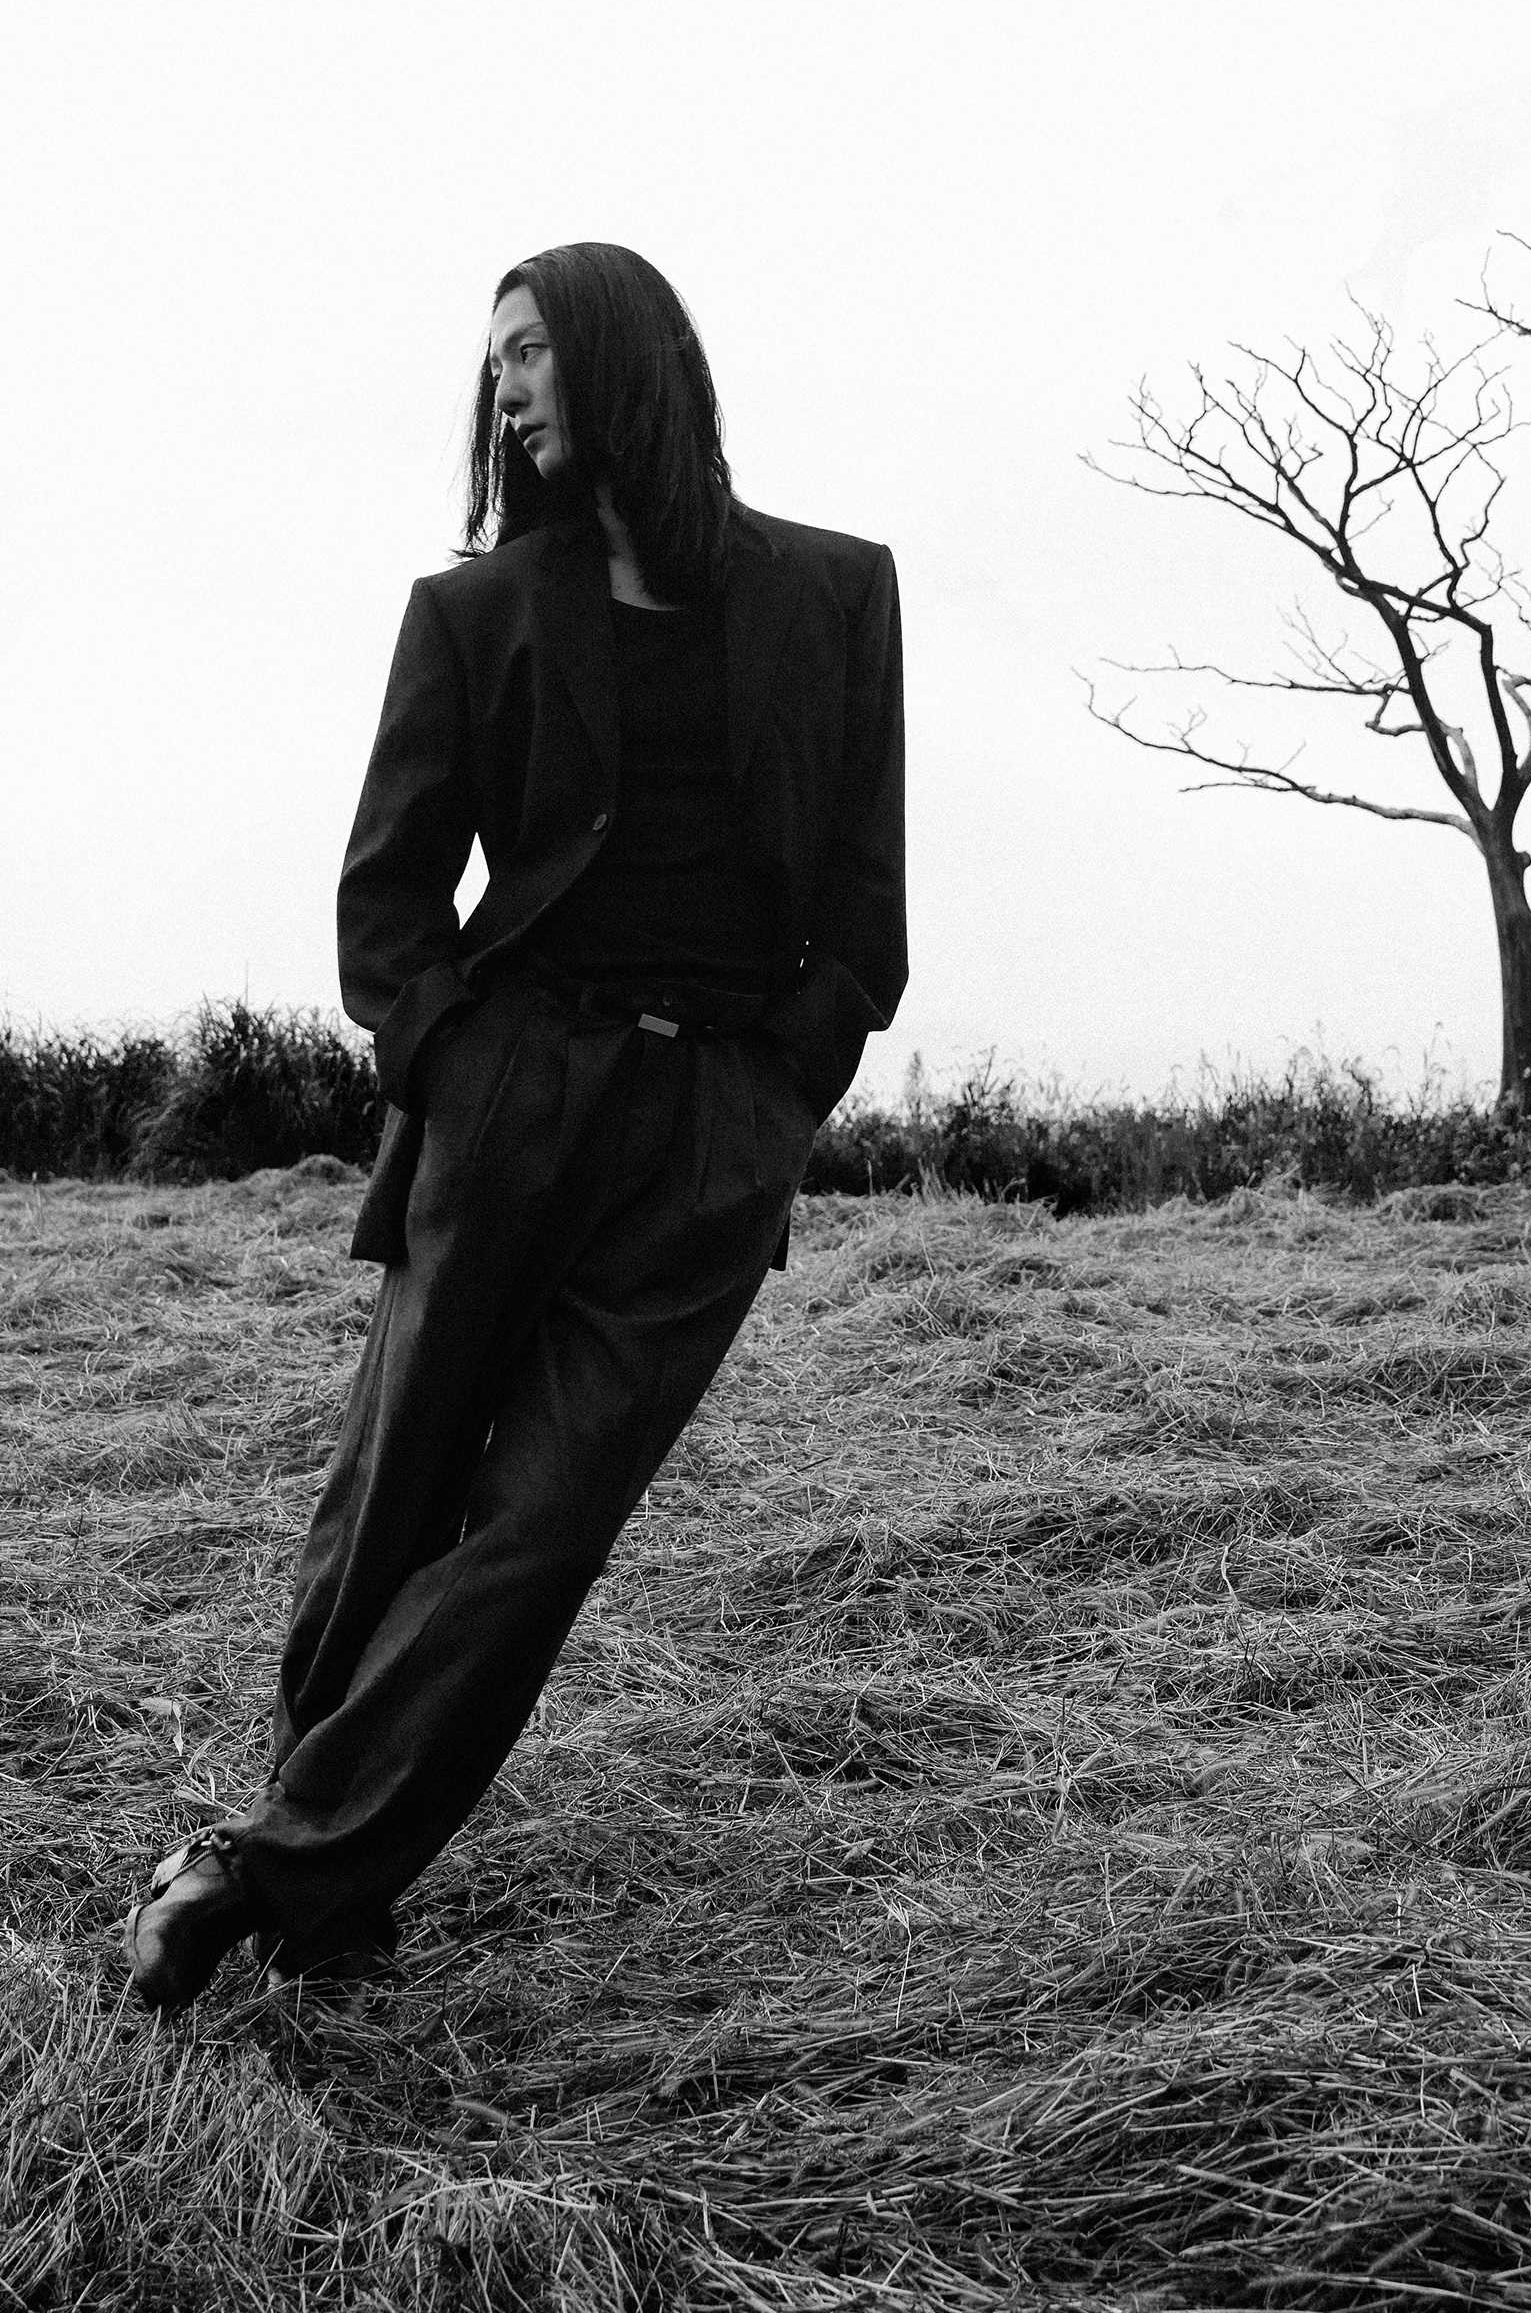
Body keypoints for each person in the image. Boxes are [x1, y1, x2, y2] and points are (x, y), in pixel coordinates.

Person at [122, 241, 907, 2009]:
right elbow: (387, 902)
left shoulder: (839, 592)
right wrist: (460, 1064)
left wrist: (778, 1088)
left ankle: (262, 1867)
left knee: (539, 1532)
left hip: (711, 1134)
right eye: (496, 363)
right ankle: (327, 1889)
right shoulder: (472, 614)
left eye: (535, 351)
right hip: (509, 1101)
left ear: (623, 359)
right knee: (395, 1501)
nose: (508, 388)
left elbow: (866, 909)